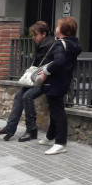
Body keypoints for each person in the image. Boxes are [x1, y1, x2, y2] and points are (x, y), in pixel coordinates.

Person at [0, 21, 54, 142]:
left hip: (47, 81)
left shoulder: (51, 45)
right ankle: (9, 128)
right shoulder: (41, 45)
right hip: (36, 80)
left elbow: (52, 64)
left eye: (36, 34)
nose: (33, 37)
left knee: (27, 97)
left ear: (44, 34)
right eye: (33, 35)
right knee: (18, 96)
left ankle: (31, 130)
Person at [36, 16, 82, 155]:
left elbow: (59, 61)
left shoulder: (60, 44)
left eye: (58, 26)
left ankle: (60, 143)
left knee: (58, 112)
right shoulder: (72, 44)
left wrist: (46, 71)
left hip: (55, 81)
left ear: (63, 30)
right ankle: (50, 137)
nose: (56, 28)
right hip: (64, 80)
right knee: (54, 109)